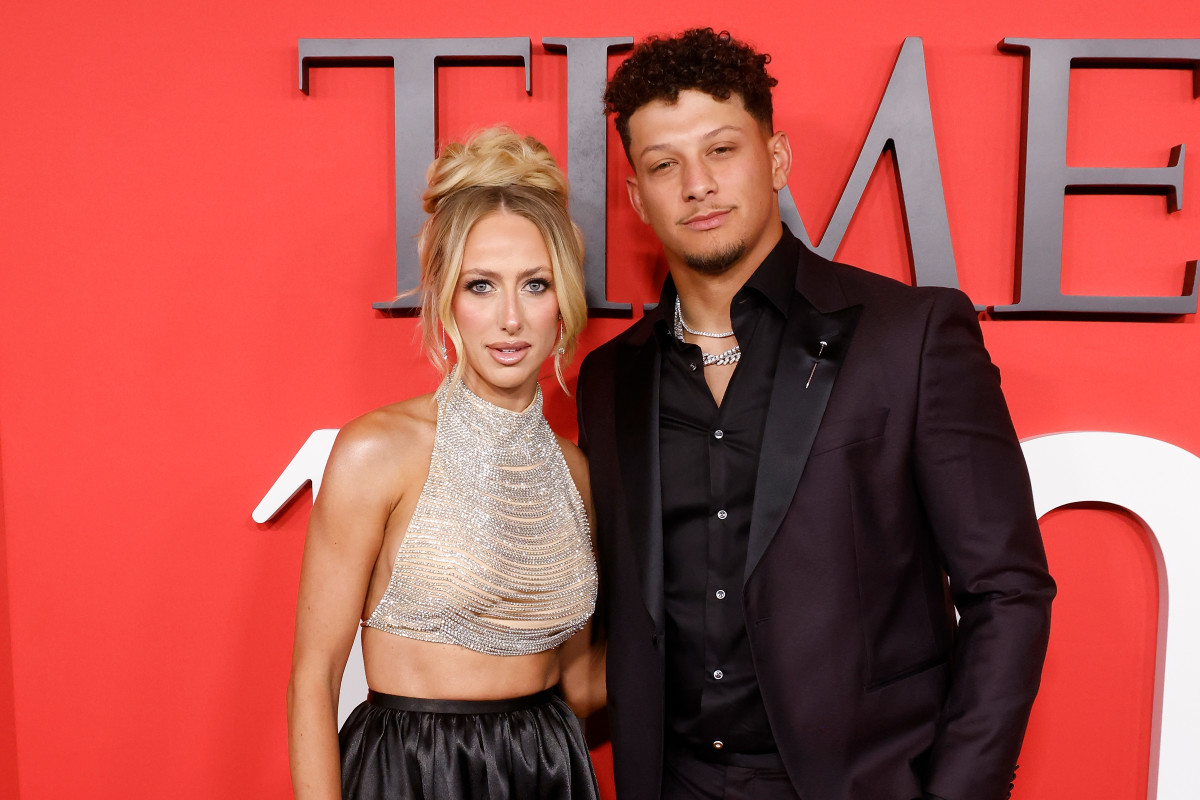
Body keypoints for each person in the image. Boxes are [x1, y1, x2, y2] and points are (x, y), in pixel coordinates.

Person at [576, 28, 1056, 800]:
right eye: (665, 165)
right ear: (637, 196)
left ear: (776, 160)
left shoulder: (911, 335)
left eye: (722, 150)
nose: (697, 184)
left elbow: (1008, 591)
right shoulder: (608, 380)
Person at [287, 128, 604, 800]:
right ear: (446, 296)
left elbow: (579, 685)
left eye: (536, 285)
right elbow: (313, 679)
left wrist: (722, 633)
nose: (510, 318)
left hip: (549, 768)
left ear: (563, 301)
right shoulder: (379, 451)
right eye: (482, 286)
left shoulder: (575, 474)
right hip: (414, 771)